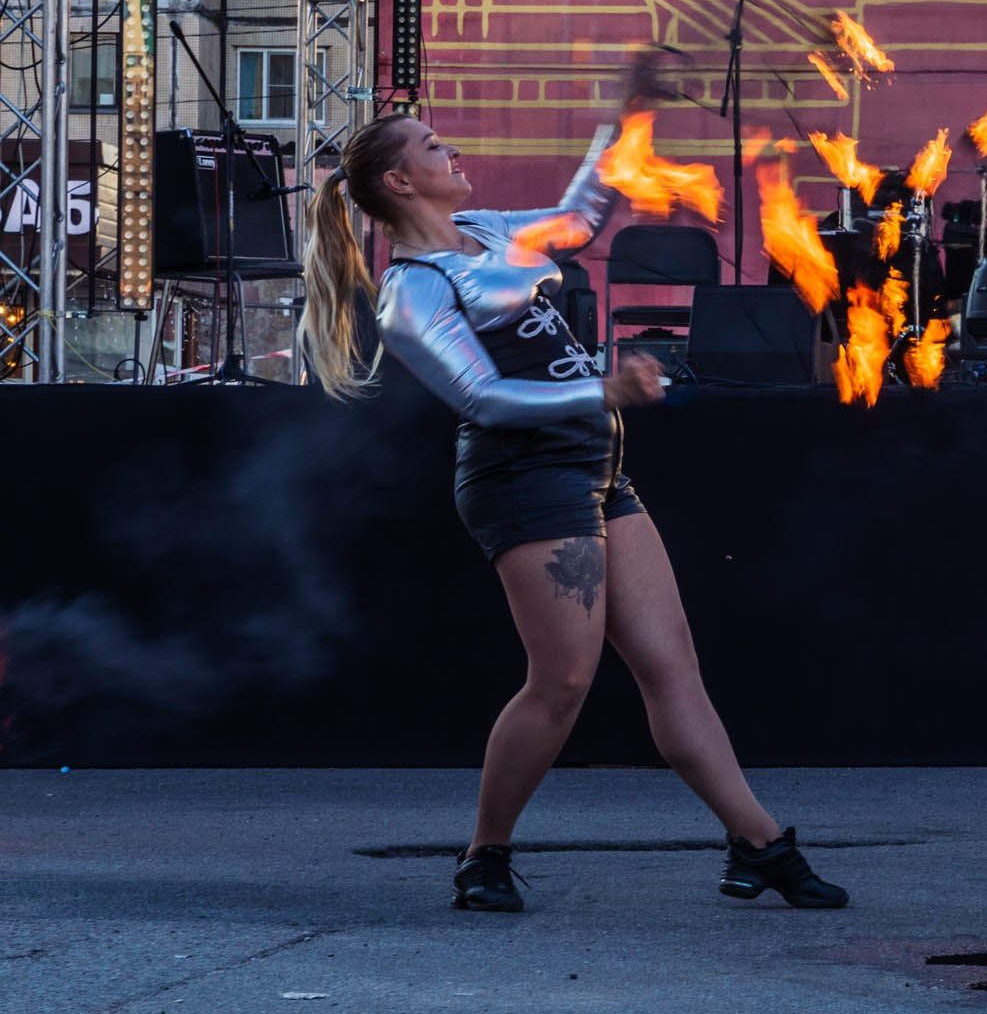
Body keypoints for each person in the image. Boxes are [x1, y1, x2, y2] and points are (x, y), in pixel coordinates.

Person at [297, 63, 847, 915]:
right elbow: (481, 397)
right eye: (435, 147)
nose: (454, 151)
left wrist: (622, 120)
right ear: (400, 180)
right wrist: (604, 389)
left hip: (596, 469)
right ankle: (484, 855)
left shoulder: (483, 231)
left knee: (674, 667)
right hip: (524, 480)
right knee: (560, 682)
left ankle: (758, 844)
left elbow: (581, 217)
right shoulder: (416, 290)